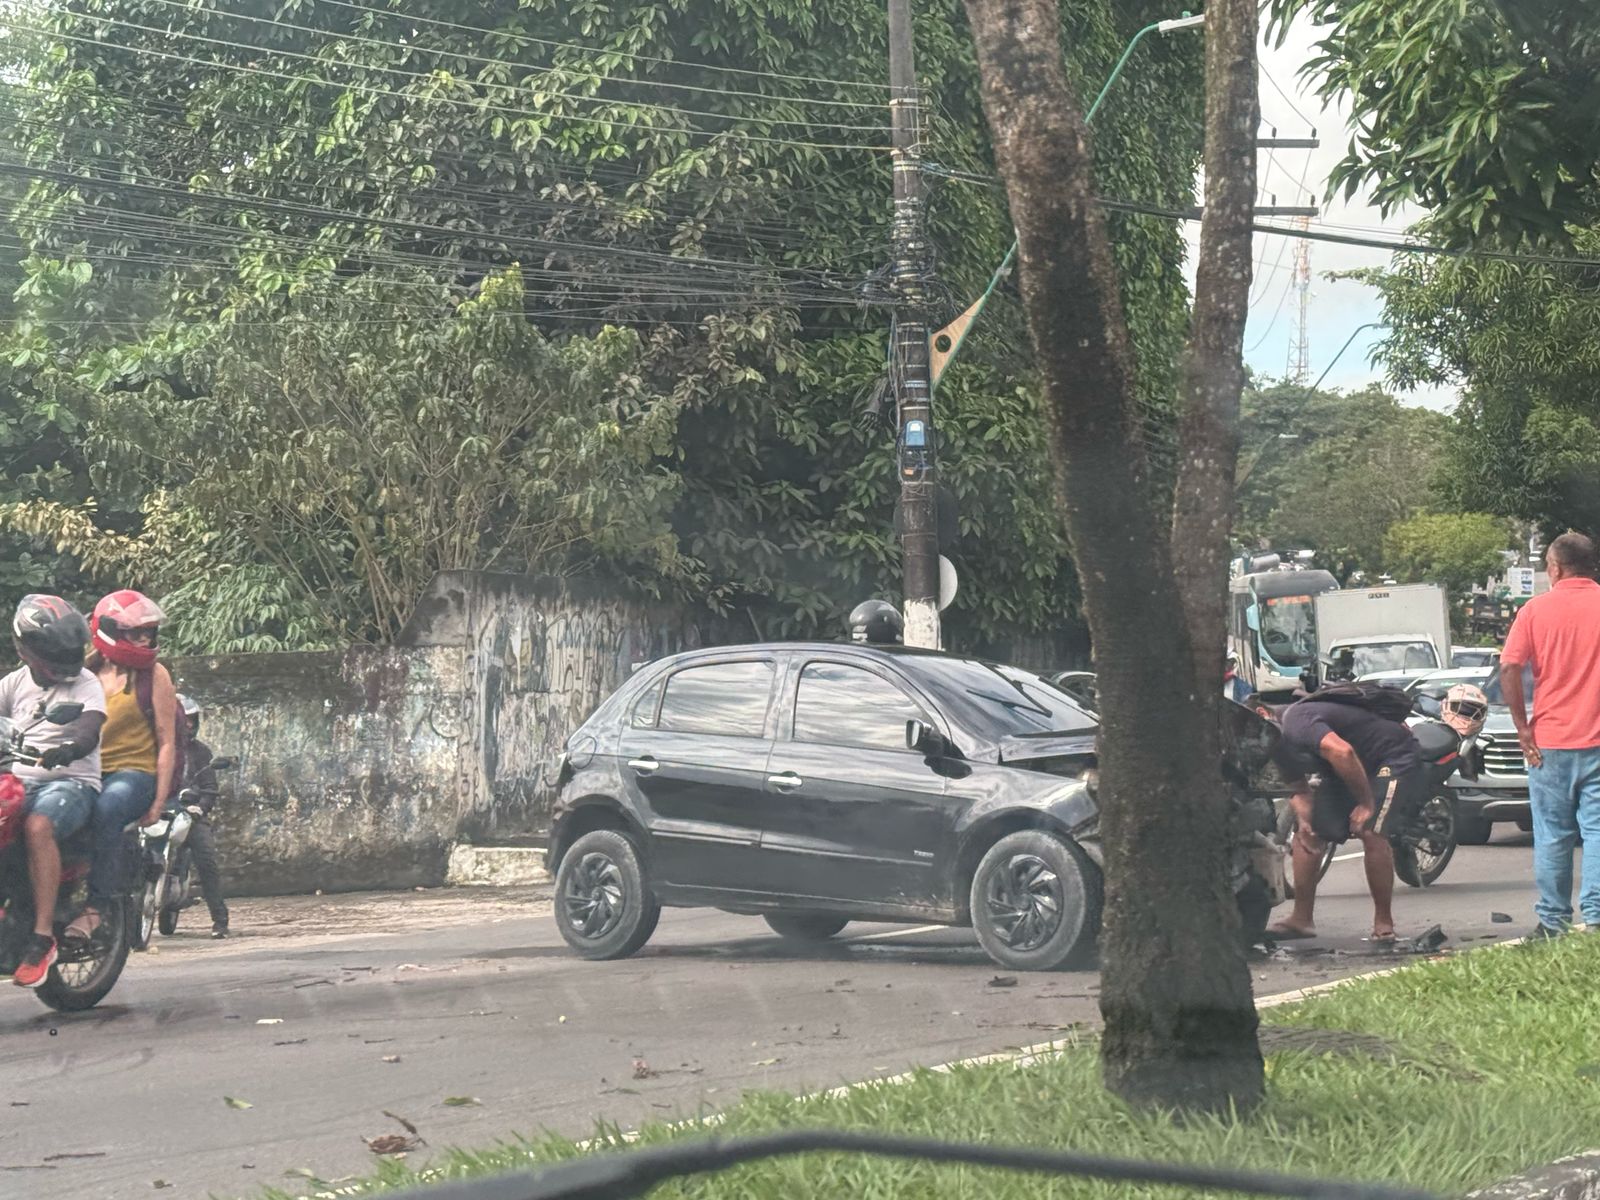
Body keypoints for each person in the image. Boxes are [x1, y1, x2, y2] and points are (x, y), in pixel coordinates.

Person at [1260, 689, 1424, 944]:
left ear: (1262, 714)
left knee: (1369, 830)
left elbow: (1342, 752)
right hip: (1345, 768)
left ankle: (1384, 922)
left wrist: (1366, 804)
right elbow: (1299, 789)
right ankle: (1301, 919)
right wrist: (1305, 820)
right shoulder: (1273, 743)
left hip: (1391, 756)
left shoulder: (1296, 720)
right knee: (1309, 833)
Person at [0, 595, 106, 987]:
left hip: (71, 782)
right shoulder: (14, 683)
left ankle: (42, 937)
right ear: (23, 649)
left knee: (38, 826)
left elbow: (89, 727)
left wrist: (70, 748)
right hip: (20, 778)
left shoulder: (86, 683)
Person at [1499, 531, 1600, 938]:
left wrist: (1523, 729)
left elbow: (1509, 668)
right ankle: (1595, 918)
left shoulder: (1536, 610)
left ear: (1555, 568)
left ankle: (1553, 921)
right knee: (1596, 832)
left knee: (1553, 834)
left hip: (1550, 743)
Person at [67, 590, 179, 941]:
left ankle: (96, 907)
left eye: (148, 632)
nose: (145, 639)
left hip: (134, 774)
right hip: (87, 772)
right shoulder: (83, 676)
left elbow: (167, 740)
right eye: (136, 632)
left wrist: (159, 802)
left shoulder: (154, 676)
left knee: (108, 807)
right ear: (108, 631)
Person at [177, 694, 229, 937]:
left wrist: (200, 808)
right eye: (183, 719)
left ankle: (220, 921)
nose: (188, 725)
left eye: (192, 720)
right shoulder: (153, 749)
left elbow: (210, 789)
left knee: (207, 861)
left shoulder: (201, 752)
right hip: (160, 812)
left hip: (191, 815)